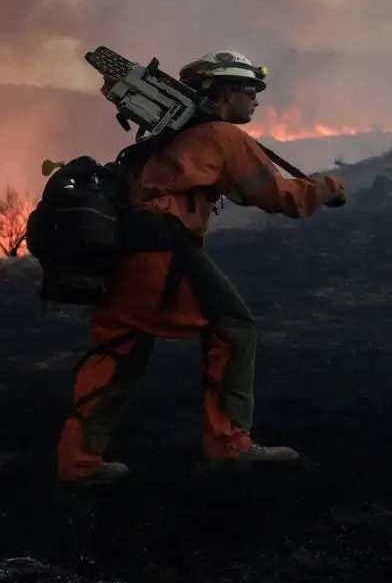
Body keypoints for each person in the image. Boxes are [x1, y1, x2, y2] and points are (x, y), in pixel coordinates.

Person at [57, 50, 347, 484]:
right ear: (226, 92)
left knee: (118, 350)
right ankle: (230, 444)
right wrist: (326, 188)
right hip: (165, 249)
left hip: (123, 257)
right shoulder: (221, 136)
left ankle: (77, 463)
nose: (256, 101)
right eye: (250, 90)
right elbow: (277, 196)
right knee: (235, 328)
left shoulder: (159, 143)